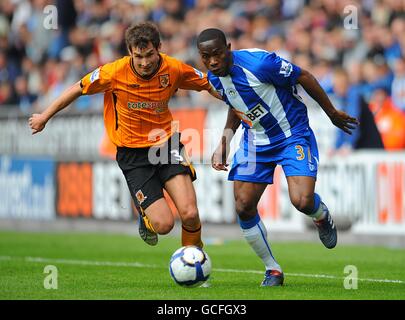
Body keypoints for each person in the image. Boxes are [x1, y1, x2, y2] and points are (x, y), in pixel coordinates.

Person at [29, 22, 221, 248]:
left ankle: (195, 261)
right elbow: (77, 88)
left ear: (159, 47)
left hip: (166, 146)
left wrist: (239, 102)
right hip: (133, 155)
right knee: (164, 224)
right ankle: (146, 216)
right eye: (139, 56)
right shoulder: (113, 72)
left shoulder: (174, 68)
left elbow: (210, 84)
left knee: (189, 213)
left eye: (150, 54)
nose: (145, 62)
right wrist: (45, 116)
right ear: (130, 51)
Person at [197, 28, 359, 287]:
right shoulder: (214, 79)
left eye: (217, 54)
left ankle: (320, 215)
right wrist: (224, 143)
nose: (213, 61)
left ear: (228, 47)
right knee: (243, 204)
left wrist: (331, 113)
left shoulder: (260, 63)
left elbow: (303, 75)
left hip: (291, 133)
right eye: (206, 57)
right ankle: (272, 270)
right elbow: (236, 105)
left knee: (302, 200)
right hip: (255, 142)